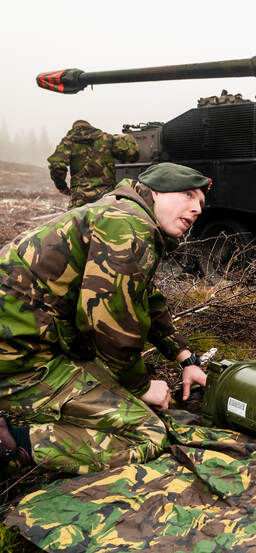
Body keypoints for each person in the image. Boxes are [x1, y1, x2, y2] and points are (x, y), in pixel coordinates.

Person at [0, 162, 211, 474]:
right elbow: (108, 321)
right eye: (187, 195)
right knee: (149, 434)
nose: (196, 209)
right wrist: (140, 386)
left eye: (201, 203)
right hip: (21, 365)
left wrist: (185, 358)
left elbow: (145, 298)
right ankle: (14, 444)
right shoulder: (129, 226)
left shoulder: (121, 213)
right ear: (155, 192)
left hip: (28, 345)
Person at [47, 119, 140, 207]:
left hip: (80, 197)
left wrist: (62, 187)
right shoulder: (107, 139)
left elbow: (56, 165)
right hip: (106, 197)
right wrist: (128, 137)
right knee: (107, 222)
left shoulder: (68, 142)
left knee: (79, 223)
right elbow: (132, 155)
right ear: (91, 127)